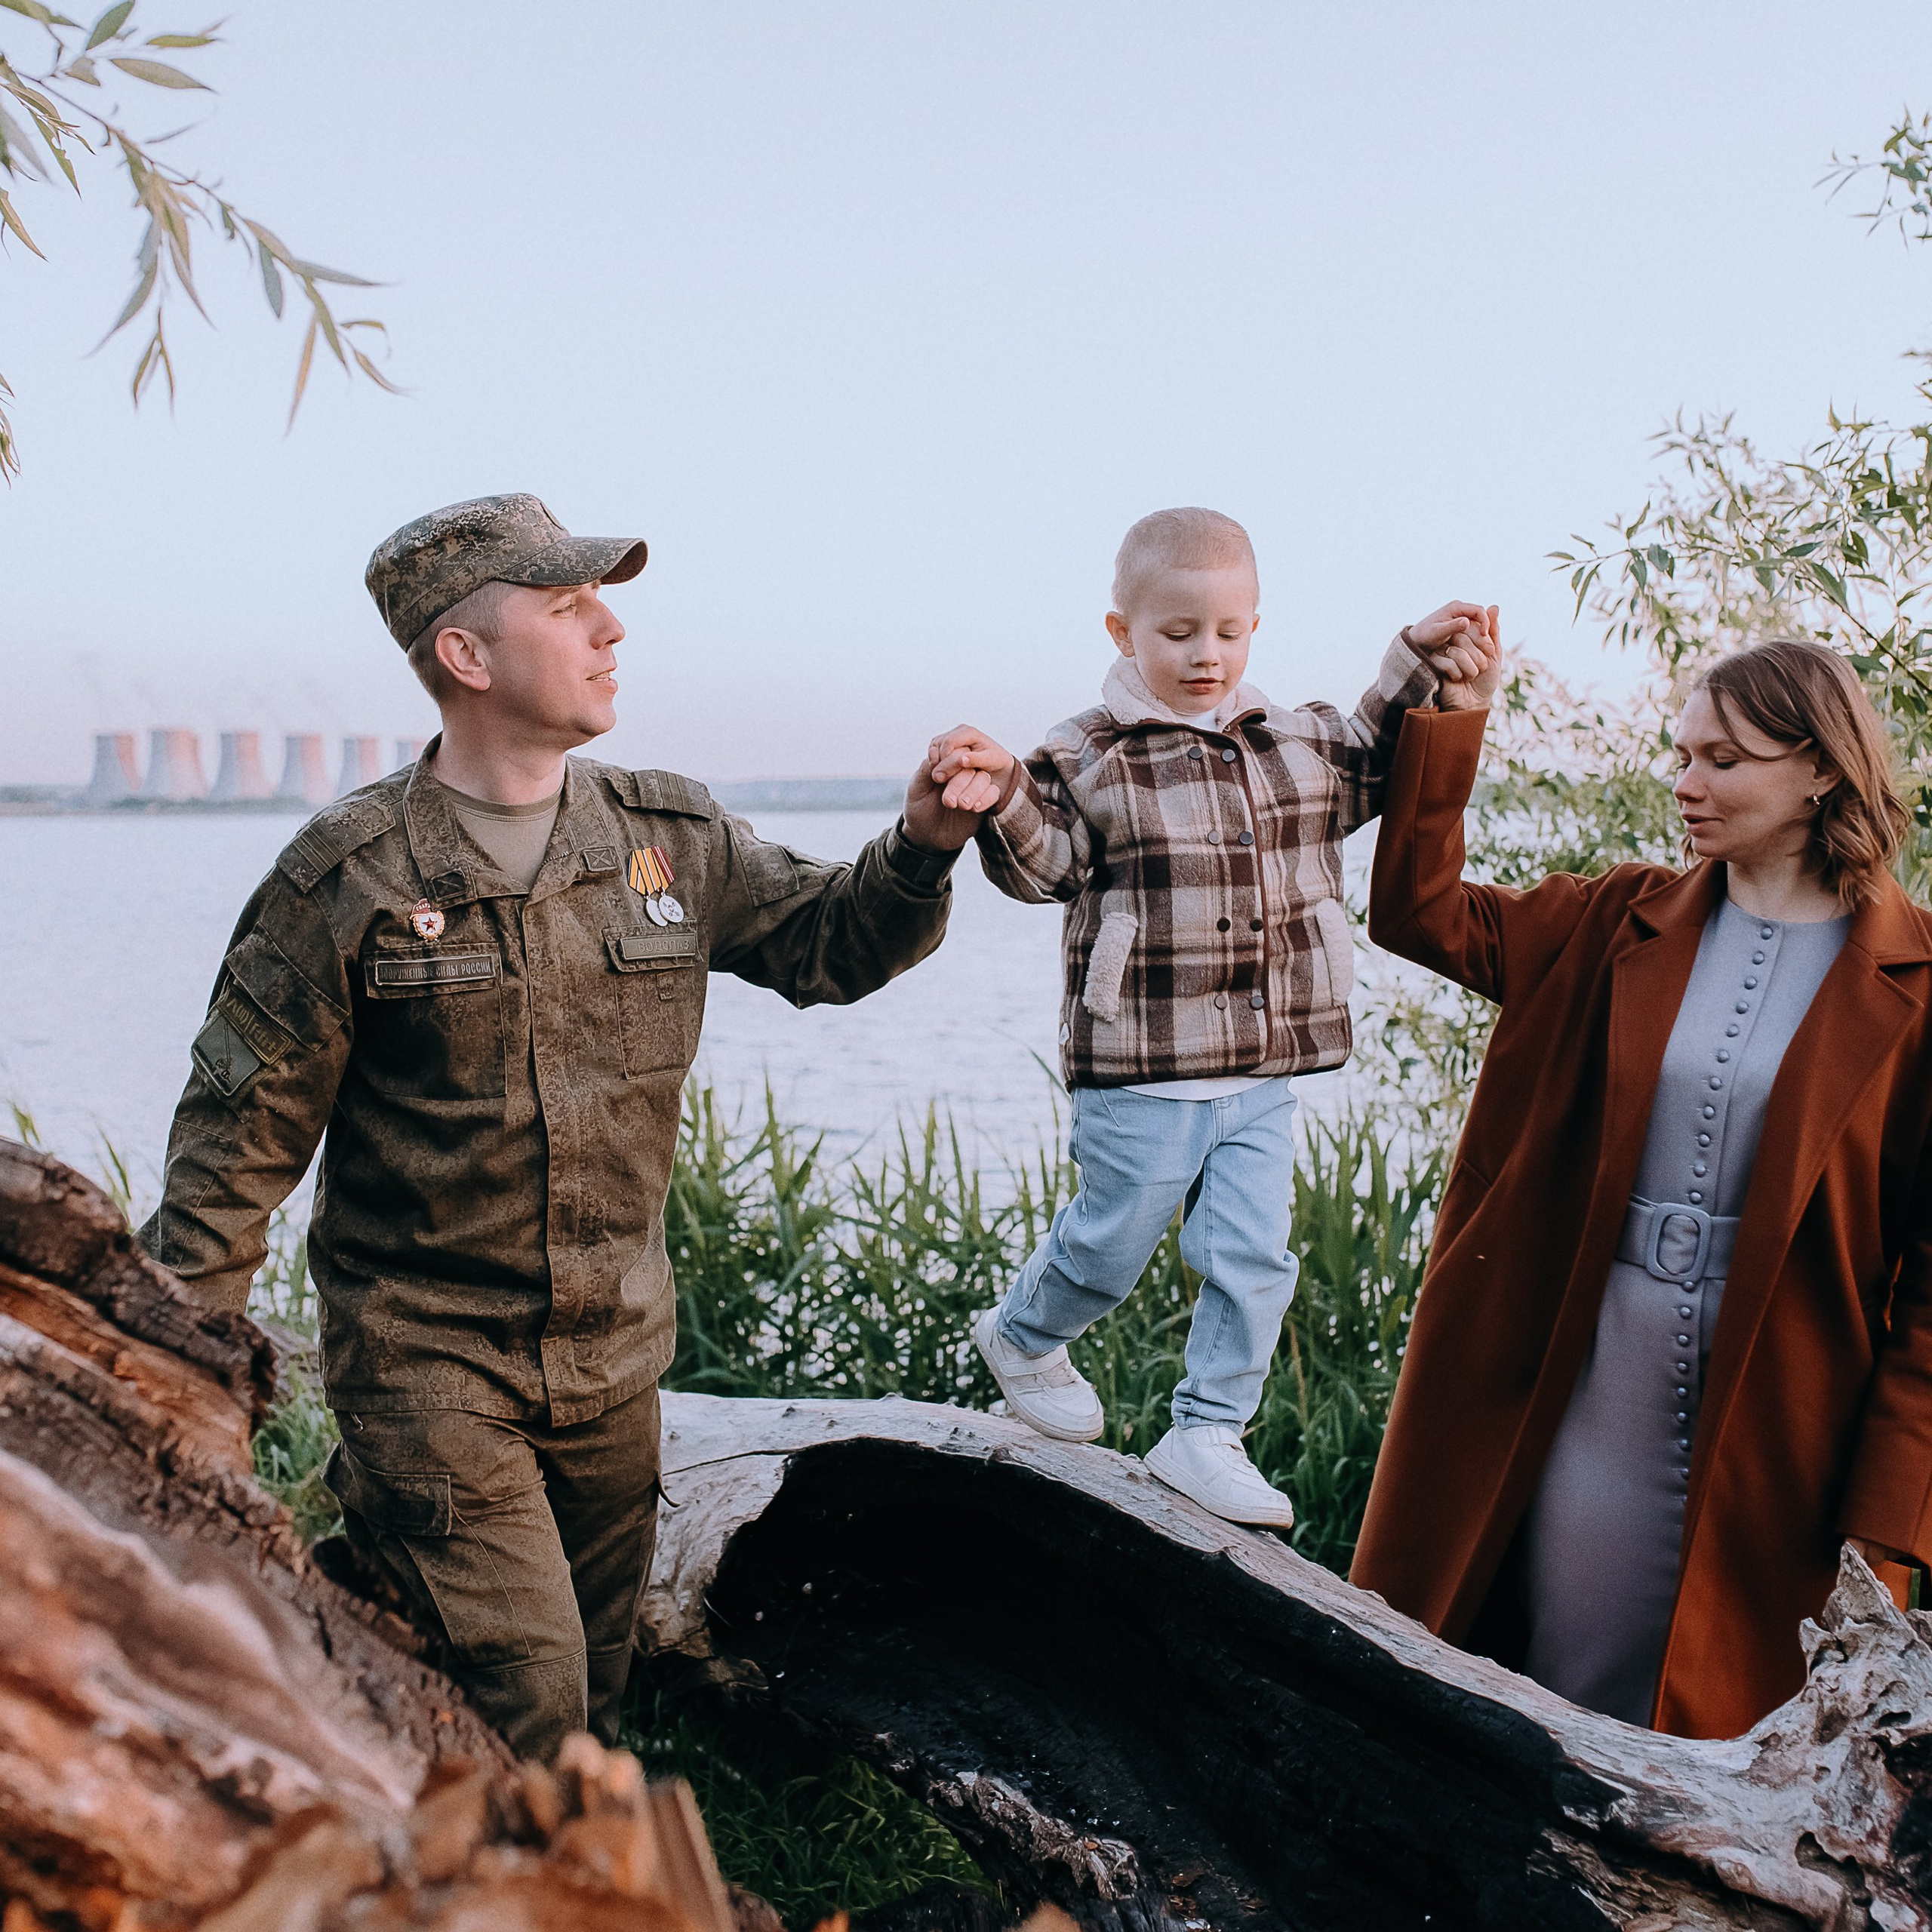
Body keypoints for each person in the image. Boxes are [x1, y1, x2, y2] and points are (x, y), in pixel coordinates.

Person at [137, 493, 977, 1763]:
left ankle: (380, 1786)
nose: (611, 628)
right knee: (530, 1697)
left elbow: (828, 943)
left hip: (613, 1363)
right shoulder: (348, 877)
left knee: (592, 1703)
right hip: (427, 1365)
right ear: (467, 659)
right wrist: (163, 1397)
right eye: (569, 605)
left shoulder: (666, 839)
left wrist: (921, 843)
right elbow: (233, 1149)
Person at [1352, 635, 1932, 1739]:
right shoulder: (1611, 921)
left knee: (1747, 1733)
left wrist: (1890, 1514)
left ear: (1819, 770)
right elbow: (1417, 911)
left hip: (1790, 1424)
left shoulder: (1920, 987)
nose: (1685, 782)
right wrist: (1449, 718)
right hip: (1583, 1380)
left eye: (1723, 759)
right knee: (1548, 1683)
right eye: (1681, 755)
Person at [924, 506, 1498, 1526]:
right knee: (1111, 1244)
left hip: (1263, 1072)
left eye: (1229, 633)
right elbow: (1044, 866)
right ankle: (1019, 1334)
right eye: (1179, 633)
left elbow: (1374, 753)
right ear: (1123, 634)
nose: (1206, 655)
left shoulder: (1293, 740)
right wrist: (1000, 789)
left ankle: (1207, 1432)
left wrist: (1420, 660)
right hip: (1147, 1066)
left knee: (1252, 1261)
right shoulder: (1088, 754)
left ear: (1254, 629)